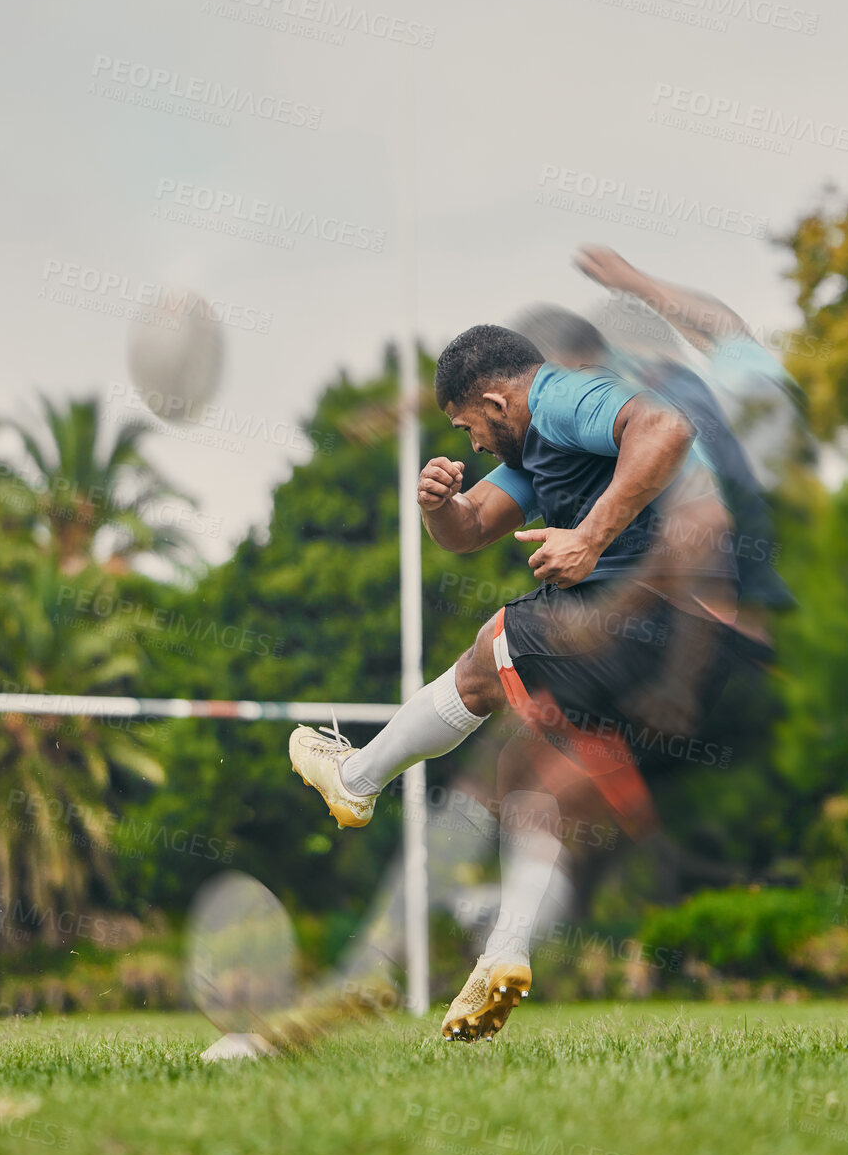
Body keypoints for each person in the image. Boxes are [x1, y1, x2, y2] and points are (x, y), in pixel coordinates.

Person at [289, 323, 760, 1041]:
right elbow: (473, 527)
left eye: (466, 425)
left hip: (660, 616)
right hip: (692, 652)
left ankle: (356, 778)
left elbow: (665, 426)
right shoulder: (535, 448)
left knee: (486, 653)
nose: (470, 442)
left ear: (494, 400)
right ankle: (502, 956)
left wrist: (589, 536)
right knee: (525, 772)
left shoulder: (564, 397)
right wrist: (437, 504)